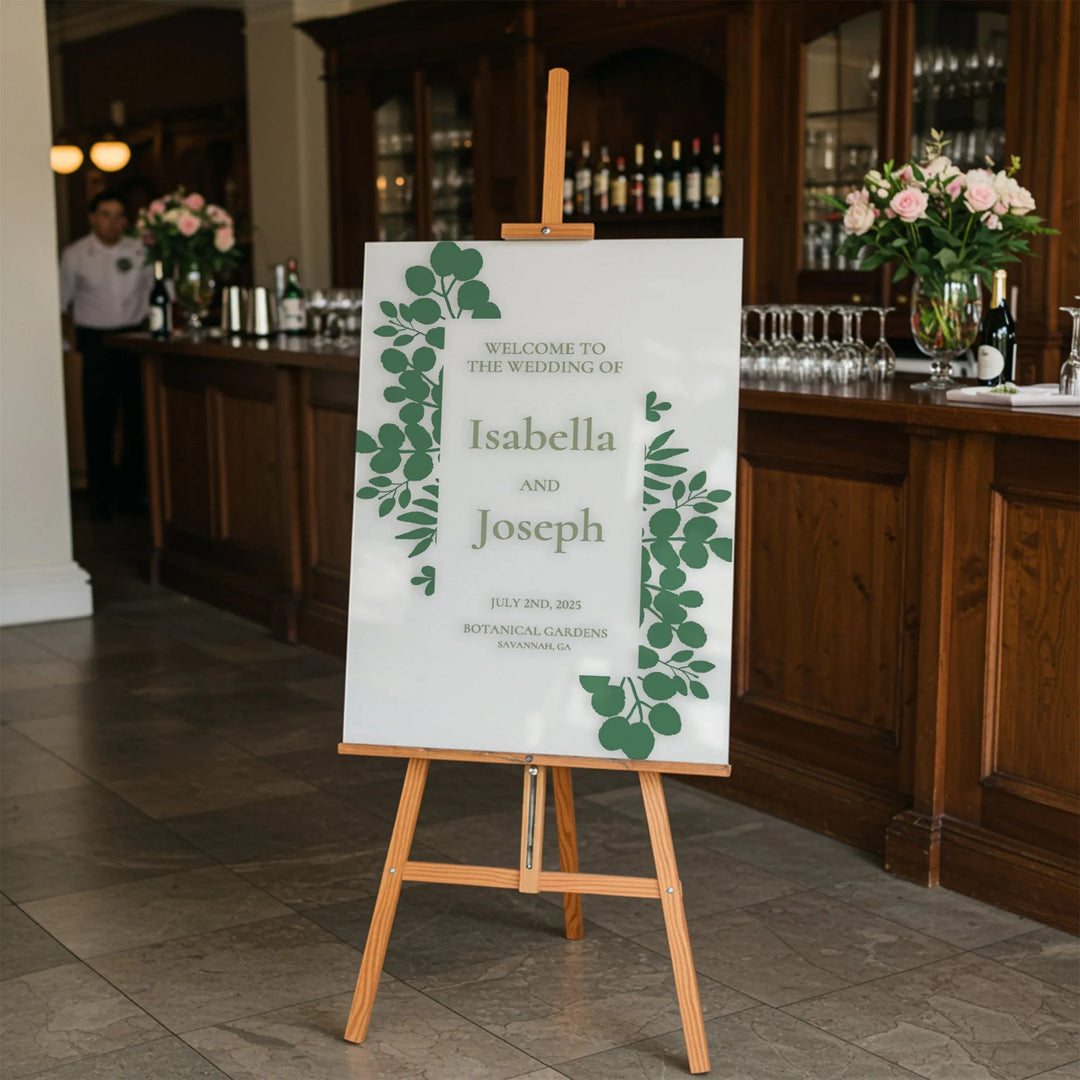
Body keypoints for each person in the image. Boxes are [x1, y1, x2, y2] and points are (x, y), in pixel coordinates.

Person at [60, 190, 154, 519]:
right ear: (92, 217)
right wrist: (66, 343)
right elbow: (62, 303)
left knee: (138, 420)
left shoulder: (142, 251)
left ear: (126, 220)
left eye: (118, 215)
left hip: (135, 338)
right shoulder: (75, 255)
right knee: (98, 422)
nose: (111, 222)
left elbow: (159, 291)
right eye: (105, 214)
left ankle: (132, 494)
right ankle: (99, 498)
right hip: (95, 342)